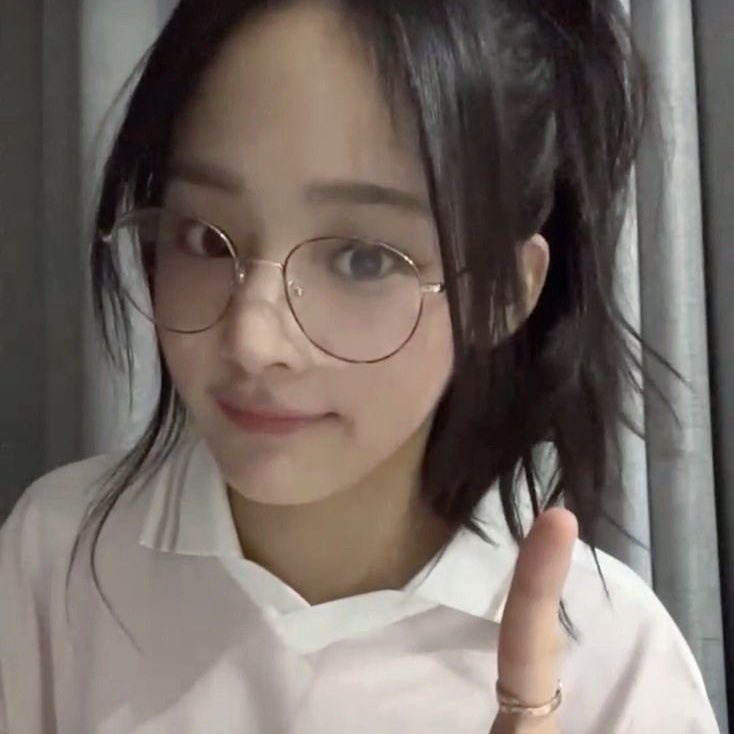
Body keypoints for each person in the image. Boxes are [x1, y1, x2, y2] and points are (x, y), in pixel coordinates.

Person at [0, 1, 721, 732]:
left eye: (363, 259)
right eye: (206, 239)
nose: (252, 339)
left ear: (504, 292)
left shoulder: (618, 670)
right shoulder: (59, 561)